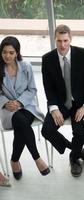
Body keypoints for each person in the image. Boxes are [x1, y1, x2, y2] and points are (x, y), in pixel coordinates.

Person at [41, 25, 84, 177]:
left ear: (70, 39)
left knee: (79, 131)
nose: (62, 45)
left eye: (65, 40)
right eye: (59, 41)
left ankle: (74, 159)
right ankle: (78, 150)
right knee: (46, 130)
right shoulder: (47, 59)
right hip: (61, 102)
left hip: (82, 102)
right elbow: (48, 87)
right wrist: (53, 108)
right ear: (54, 39)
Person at [0, 36, 50, 180]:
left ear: (17, 53)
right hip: (7, 109)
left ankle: (14, 160)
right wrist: (5, 102)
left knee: (21, 124)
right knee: (20, 122)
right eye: (4, 52)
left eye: (11, 52)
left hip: (26, 106)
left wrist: (20, 102)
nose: (7, 56)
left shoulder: (26, 66)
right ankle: (37, 158)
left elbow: (32, 89)